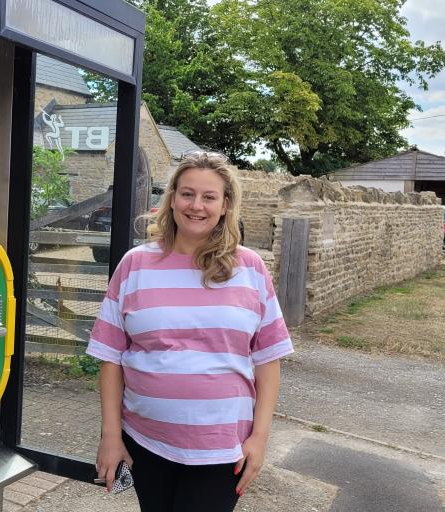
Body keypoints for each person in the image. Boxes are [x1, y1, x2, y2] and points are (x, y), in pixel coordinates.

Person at [87, 152, 293, 511]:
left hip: (221, 447)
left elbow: (268, 359)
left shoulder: (250, 268)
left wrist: (260, 438)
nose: (196, 205)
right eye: (187, 193)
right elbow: (110, 357)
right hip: (146, 440)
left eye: (209, 197)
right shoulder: (135, 264)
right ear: (172, 199)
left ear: (226, 205)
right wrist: (111, 436)